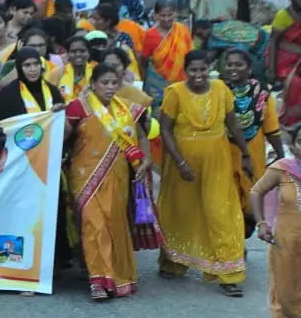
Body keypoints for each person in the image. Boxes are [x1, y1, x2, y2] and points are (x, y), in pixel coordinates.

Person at [157, 50, 249, 296]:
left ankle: (229, 274)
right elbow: (165, 129)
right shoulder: (175, 93)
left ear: (210, 69)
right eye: (193, 70)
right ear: (185, 71)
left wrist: (246, 153)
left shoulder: (221, 89)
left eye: (203, 69)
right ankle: (173, 262)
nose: (198, 74)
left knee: (222, 212)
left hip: (217, 162)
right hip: (183, 164)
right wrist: (180, 163)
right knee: (181, 211)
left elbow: (232, 123)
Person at [64, 64, 157, 300]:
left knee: (114, 225)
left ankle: (116, 278)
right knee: (93, 225)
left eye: (114, 83)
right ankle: (97, 281)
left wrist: (146, 159)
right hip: (85, 177)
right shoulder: (78, 107)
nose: (109, 87)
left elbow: (142, 136)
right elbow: (61, 138)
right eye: (104, 83)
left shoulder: (127, 109)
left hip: (118, 177)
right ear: (93, 84)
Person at [248, 142, 301, 318]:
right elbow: (256, 191)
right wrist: (262, 224)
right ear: (294, 145)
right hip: (287, 247)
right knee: (284, 297)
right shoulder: (282, 169)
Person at [223, 48, 285, 235]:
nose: (233, 68)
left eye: (238, 64)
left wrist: (281, 156)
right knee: (228, 201)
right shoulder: (219, 91)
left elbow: (271, 128)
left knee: (250, 203)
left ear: (249, 69)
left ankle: (241, 237)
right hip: (224, 152)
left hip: (252, 154)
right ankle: (235, 245)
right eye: (229, 64)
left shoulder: (262, 94)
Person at [140, 0, 192, 107]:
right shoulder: (150, 35)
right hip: (158, 82)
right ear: (156, 16)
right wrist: (144, 79)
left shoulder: (183, 30)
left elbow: (190, 55)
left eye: (170, 15)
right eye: (162, 15)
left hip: (181, 81)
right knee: (160, 109)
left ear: (175, 13)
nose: (166, 19)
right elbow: (144, 59)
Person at [0, 48, 66, 120]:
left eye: (36, 64)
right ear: (19, 68)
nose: (33, 69)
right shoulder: (6, 95)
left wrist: (58, 111)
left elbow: (62, 120)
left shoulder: (53, 90)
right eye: (27, 65)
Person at [271, 0, 301, 86]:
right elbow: (273, 41)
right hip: (285, 54)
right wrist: (272, 70)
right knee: (291, 81)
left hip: (298, 51)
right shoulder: (283, 15)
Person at [49, 34, 92, 103]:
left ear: (88, 53)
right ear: (67, 54)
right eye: (73, 51)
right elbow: (49, 98)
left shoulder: (96, 72)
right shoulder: (57, 73)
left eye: (82, 51)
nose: (78, 54)